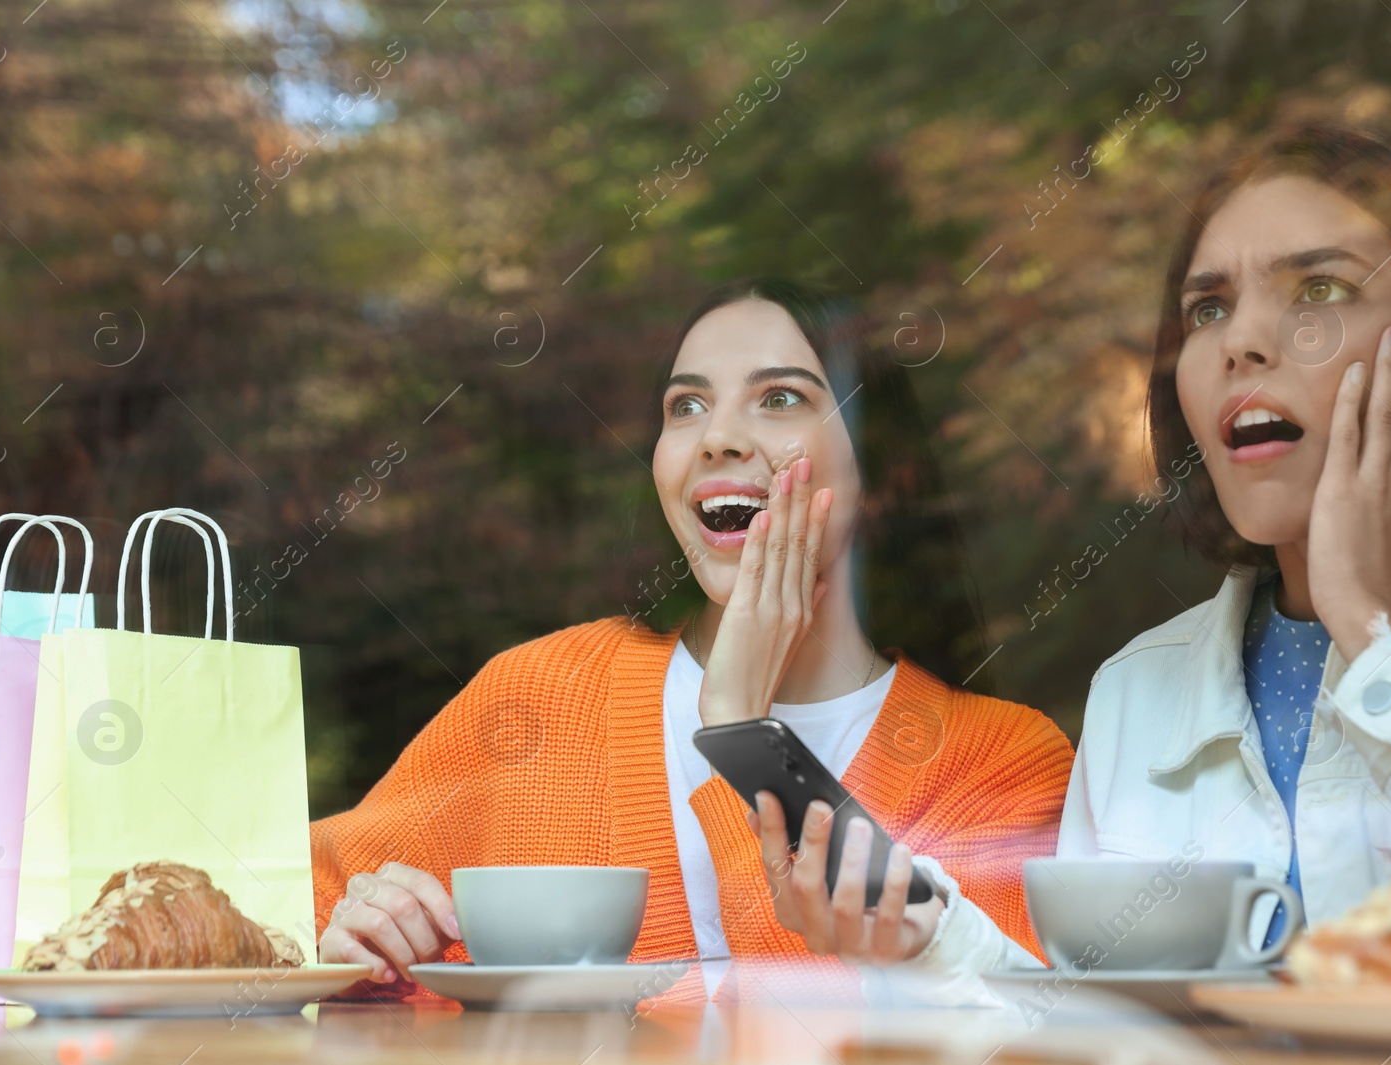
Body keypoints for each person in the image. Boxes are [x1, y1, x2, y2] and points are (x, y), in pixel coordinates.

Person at [312, 278, 1074, 1002]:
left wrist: (742, 730)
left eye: (780, 397)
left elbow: (910, 1029)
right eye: (686, 406)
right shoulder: (542, 692)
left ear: (885, 471)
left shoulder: (1002, 763)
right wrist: (350, 951)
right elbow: (275, 907)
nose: (717, 437)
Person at [1059, 123, 1391, 945]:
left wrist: (1377, 635)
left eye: (1320, 290)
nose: (1242, 341)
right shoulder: (1133, 695)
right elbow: (1096, 1025)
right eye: (1208, 308)